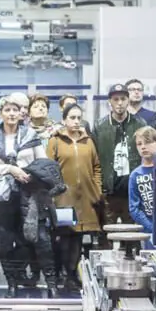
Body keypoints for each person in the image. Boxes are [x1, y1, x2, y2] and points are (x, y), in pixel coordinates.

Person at [0, 95, 54, 298]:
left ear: (21, 113)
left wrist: (29, 173)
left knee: (39, 239)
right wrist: (11, 169)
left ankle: (51, 283)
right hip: (2, 195)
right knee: (5, 241)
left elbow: (43, 162)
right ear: (1, 113)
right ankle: (12, 283)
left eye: (15, 110)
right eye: (7, 110)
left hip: (29, 193)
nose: (12, 114)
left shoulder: (30, 134)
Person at [46, 104, 102, 290]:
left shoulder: (88, 141)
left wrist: (96, 189)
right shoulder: (55, 141)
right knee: (63, 236)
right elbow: (49, 169)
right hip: (63, 197)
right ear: (64, 120)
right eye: (72, 117)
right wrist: (54, 192)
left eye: (79, 117)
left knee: (78, 237)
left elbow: (96, 167)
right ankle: (60, 274)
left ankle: (72, 275)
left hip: (85, 197)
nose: (76, 121)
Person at [92, 84, 145, 228]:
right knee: (106, 233)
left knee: (133, 232)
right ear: (110, 101)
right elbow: (94, 159)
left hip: (131, 191)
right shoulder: (99, 126)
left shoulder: (140, 124)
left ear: (128, 100)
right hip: (108, 190)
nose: (119, 103)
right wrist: (98, 188)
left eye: (123, 99)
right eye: (116, 99)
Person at [129, 126, 156, 246]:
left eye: (147, 142)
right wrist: (151, 227)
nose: (143, 147)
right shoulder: (135, 175)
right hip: (148, 231)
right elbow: (134, 208)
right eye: (139, 144)